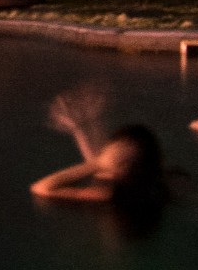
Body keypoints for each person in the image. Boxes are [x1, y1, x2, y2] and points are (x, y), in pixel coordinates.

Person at [32, 90, 170, 226]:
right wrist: (79, 130)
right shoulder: (164, 186)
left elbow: (42, 188)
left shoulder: (112, 197)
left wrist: (99, 163)